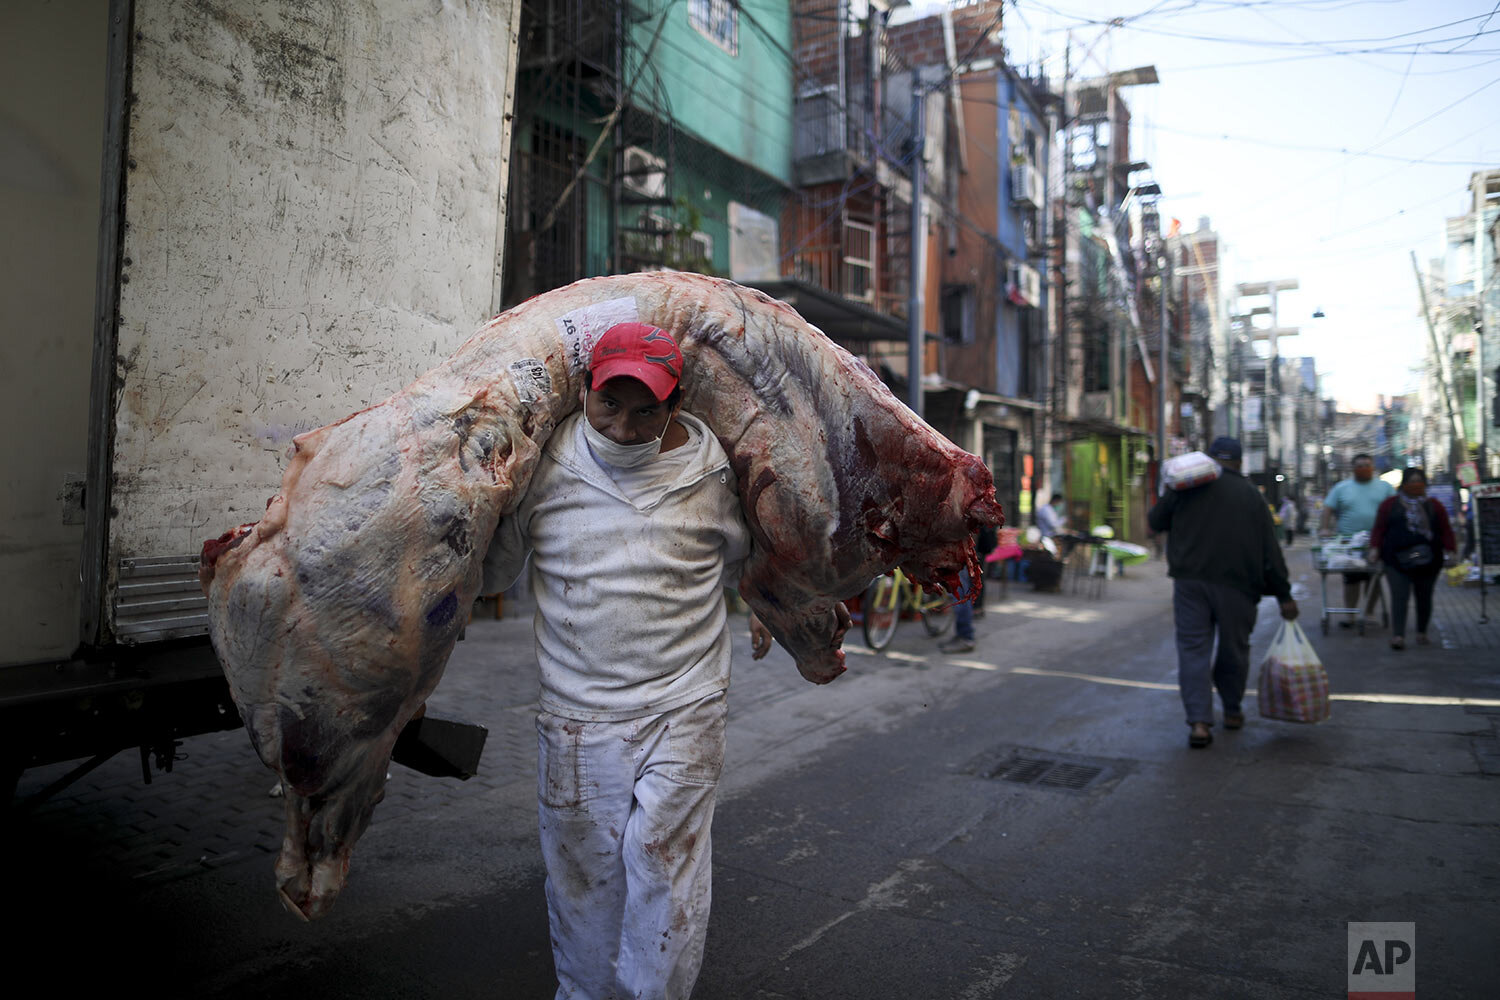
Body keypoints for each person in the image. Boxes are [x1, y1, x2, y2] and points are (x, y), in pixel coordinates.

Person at [482, 322, 848, 999]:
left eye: (645, 409)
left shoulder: (714, 473)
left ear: (676, 405)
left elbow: (751, 560)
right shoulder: (546, 469)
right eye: (608, 404)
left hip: (687, 704)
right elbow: (492, 572)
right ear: (585, 393)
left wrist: (776, 606)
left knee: (663, 859)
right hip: (576, 716)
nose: (623, 427)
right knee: (585, 874)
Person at [1148, 436, 1299, 749]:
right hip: (1238, 586)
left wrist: (1170, 493)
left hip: (1190, 583)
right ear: (1240, 463)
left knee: (1193, 650)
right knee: (1234, 648)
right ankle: (1232, 711)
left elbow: (1155, 521)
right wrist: (1284, 595)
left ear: (1209, 459)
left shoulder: (1186, 485)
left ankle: (1200, 724)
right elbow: (1271, 552)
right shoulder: (1251, 495)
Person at [1370, 467, 1456, 650]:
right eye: (1411, 481)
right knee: (1399, 596)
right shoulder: (1390, 505)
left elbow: (1445, 530)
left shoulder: (1434, 505)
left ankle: (1421, 632)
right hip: (1396, 559)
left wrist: (1451, 551)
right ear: (1404, 484)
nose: (1415, 485)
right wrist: (1374, 549)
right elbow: (1379, 529)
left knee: (1424, 596)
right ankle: (1398, 635)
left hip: (1429, 559)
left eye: (1419, 481)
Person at [1320, 454, 1396, 627]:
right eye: (1359, 465)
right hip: (1348, 543)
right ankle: (1350, 615)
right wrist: (1325, 528)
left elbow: (1395, 507)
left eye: (1367, 465)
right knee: (1351, 579)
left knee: (1373, 578)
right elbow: (1327, 508)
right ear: (1353, 468)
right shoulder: (1341, 488)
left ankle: (1369, 613)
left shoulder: (1384, 487)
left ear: (1373, 466)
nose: (1363, 468)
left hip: (1376, 542)